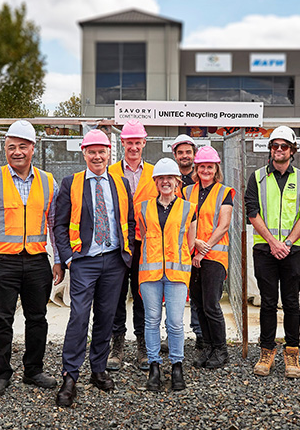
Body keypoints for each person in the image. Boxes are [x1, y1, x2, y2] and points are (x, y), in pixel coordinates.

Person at [0, 120, 63, 398]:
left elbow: (54, 223)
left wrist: (56, 260)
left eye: (22, 146)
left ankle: (33, 370)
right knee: (0, 319)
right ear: (5, 149)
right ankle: (1, 373)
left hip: (35, 261)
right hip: (1, 262)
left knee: (37, 318)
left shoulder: (47, 181)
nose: (17, 152)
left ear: (33, 148)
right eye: (11, 147)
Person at [54, 129, 135, 407]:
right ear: (84, 153)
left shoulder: (121, 183)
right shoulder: (71, 183)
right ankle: (70, 375)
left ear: (110, 152)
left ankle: (98, 370)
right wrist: (67, 258)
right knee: (78, 317)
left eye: (102, 151)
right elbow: (59, 224)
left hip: (114, 261)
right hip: (84, 261)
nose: (97, 156)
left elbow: (130, 221)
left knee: (106, 316)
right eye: (92, 151)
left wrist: (128, 254)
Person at [245, 126, 300, 379]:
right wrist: (274, 242)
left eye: (284, 146)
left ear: (292, 150)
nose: (279, 150)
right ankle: (266, 350)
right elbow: (252, 211)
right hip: (265, 248)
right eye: (275, 146)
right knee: (268, 301)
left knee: (292, 300)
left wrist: (287, 242)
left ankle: (292, 352)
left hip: (293, 249)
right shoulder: (257, 177)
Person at [138, 158, 197, 392]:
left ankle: (177, 366)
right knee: (151, 322)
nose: (165, 182)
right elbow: (143, 235)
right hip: (150, 273)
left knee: (174, 322)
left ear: (177, 182)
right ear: (155, 182)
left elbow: (191, 240)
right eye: (161, 178)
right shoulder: (144, 207)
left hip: (177, 273)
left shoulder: (188, 208)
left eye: (169, 178)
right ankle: (154, 366)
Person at [108, 120, 156, 371]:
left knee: (142, 295)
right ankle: (117, 346)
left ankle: (142, 344)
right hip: (118, 243)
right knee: (116, 295)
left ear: (144, 143)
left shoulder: (155, 173)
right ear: (122, 143)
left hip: (145, 243)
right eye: (130, 142)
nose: (134, 147)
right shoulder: (111, 171)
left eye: (138, 142)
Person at [184, 146, 234, 369]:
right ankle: (207, 347)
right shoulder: (186, 192)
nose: (205, 170)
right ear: (196, 167)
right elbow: (182, 221)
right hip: (191, 254)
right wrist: (195, 246)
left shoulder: (224, 192)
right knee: (198, 302)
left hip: (214, 256)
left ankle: (220, 350)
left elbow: (223, 226)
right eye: (202, 166)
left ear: (216, 169)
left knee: (211, 305)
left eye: (210, 167)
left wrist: (203, 250)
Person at [171, 134, 204, 345]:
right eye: (180, 152)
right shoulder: (169, 178)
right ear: (175, 155)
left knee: (197, 291)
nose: (185, 156)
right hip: (174, 244)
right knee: (173, 292)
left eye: (188, 152)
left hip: (197, 243)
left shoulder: (201, 178)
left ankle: (200, 334)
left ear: (194, 154)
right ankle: (174, 334)